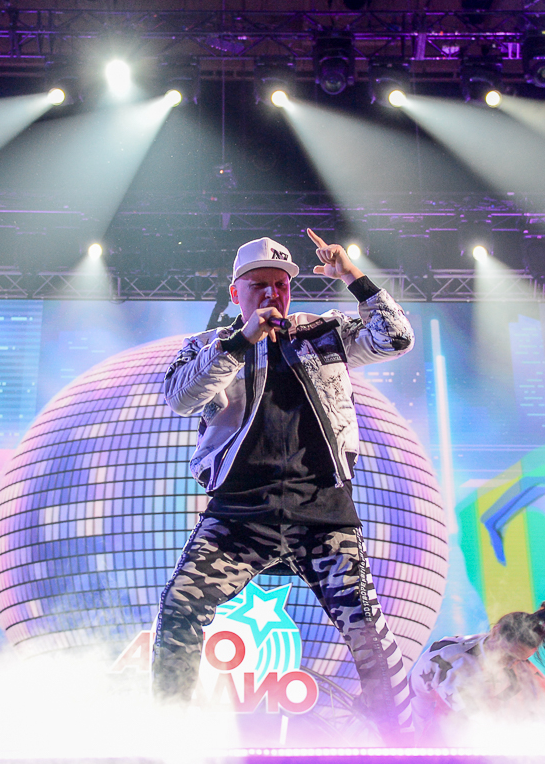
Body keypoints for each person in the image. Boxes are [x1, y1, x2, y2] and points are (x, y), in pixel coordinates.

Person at [153, 230, 416, 741]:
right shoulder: (209, 346)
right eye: (260, 285)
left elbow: (396, 338)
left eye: (281, 285)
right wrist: (241, 341)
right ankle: (166, 739)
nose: (273, 294)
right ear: (236, 292)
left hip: (322, 512)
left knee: (367, 630)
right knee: (180, 609)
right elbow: (181, 398)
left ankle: (403, 745)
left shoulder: (322, 333)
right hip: (239, 516)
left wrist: (353, 277)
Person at [408, 595, 545, 739]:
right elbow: (481, 724)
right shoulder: (453, 664)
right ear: (495, 632)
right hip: (428, 739)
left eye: (519, 660)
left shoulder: (515, 662)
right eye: (509, 656)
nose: (511, 664)